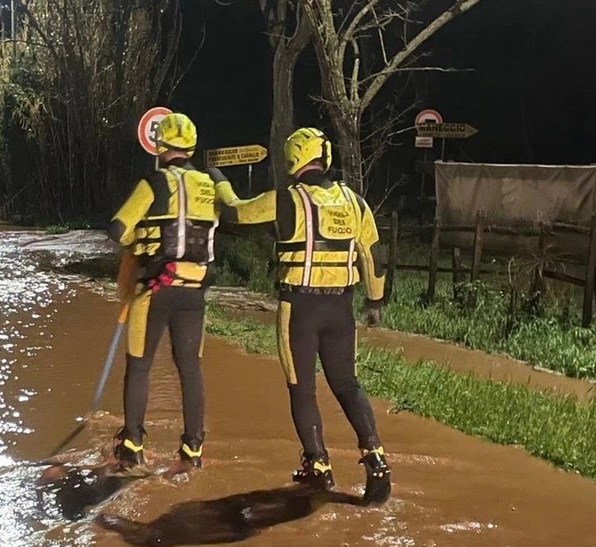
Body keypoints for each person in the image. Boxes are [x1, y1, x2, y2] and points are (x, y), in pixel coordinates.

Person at [216, 127, 390, 502]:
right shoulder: (355, 202)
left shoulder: (285, 201)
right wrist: (374, 302)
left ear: (293, 160)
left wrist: (218, 181)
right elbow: (374, 253)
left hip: (300, 309)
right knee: (347, 385)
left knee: (303, 389)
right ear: (325, 157)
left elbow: (236, 212)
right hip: (341, 309)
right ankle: (375, 457)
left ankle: (318, 464)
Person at [106, 112, 258, 474]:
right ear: (190, 146)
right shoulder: (210, 183)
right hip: (194, 293)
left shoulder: (153, 182)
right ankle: (192, 450)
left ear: (160, 147)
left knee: (139, 366)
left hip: (154, 291)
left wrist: (137, 245)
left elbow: (117, 228)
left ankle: (132, 446)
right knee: (190, 367)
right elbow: (234, 210)